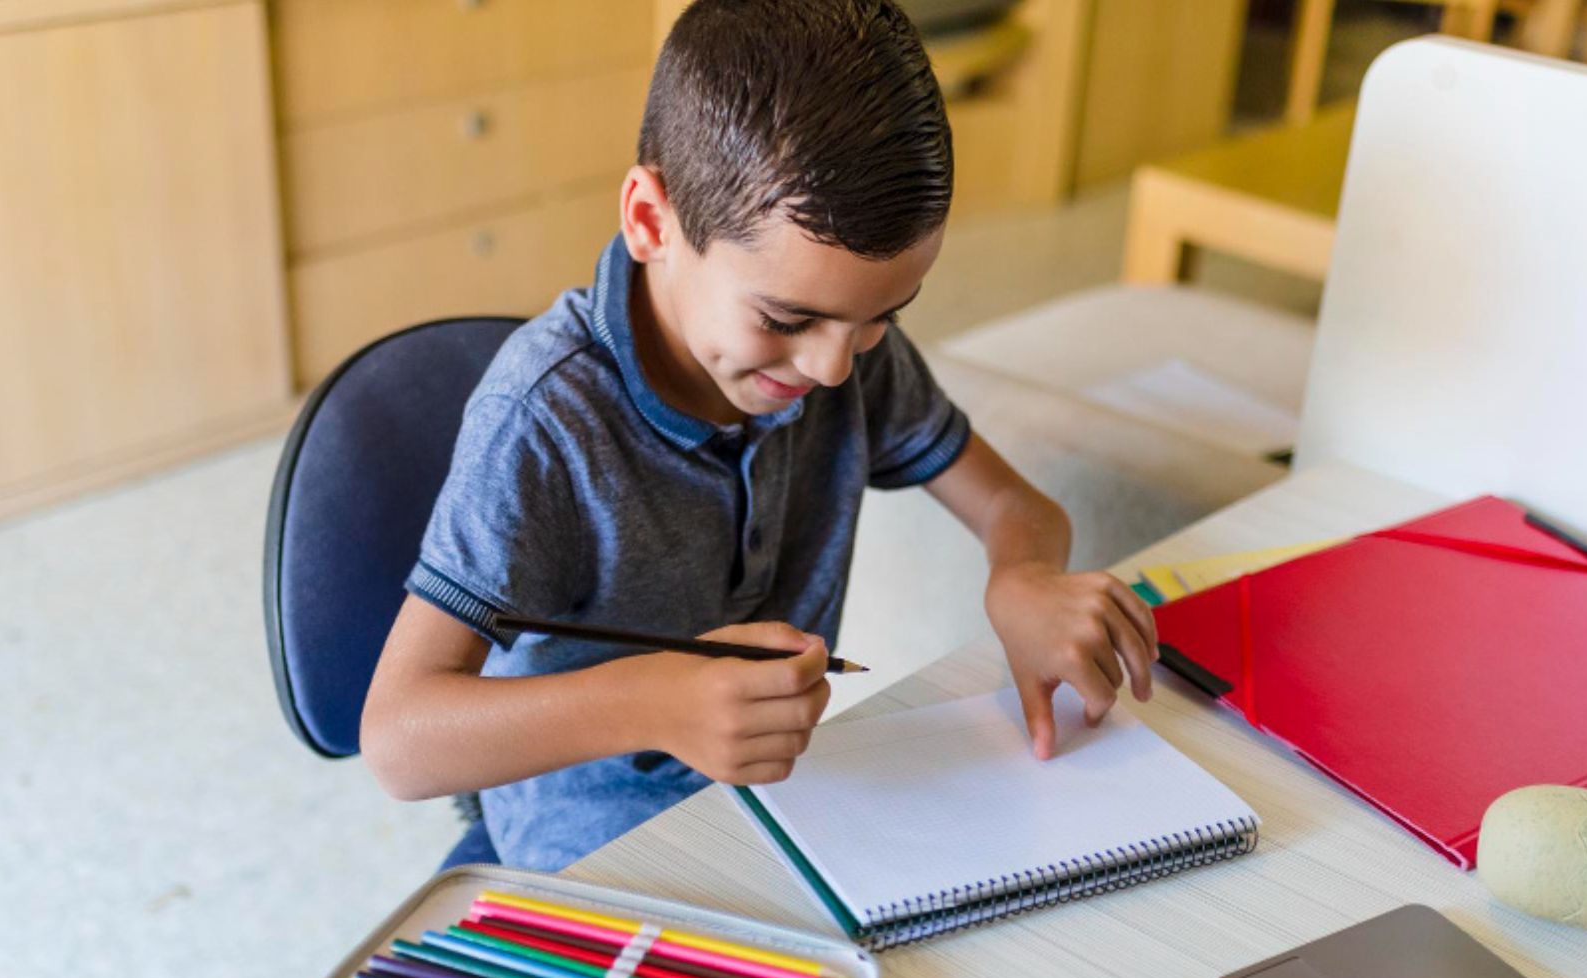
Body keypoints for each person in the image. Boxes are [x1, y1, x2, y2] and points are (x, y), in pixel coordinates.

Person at [360, 0, 1160, 871]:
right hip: (595, 857)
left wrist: (1024, 574)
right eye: (786, 317)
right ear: (652, 221)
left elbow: (1012, 503)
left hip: (790, 811)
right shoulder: (545, 421)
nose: (830, 369)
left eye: (881, 318)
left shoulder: (844, 346)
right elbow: (400, 742)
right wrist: (657, 701)